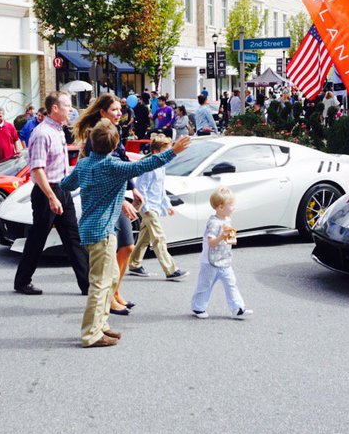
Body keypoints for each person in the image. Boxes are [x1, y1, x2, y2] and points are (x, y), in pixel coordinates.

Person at [60, 121, 189, 348]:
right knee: (100, 284)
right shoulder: (113, 165)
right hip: (102, 232)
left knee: (109, 279)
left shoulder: (84, 164)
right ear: (114, 145)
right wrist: (173, 151)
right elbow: (146, 164)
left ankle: (101, 325)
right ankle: (91, 334)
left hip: (91, 229)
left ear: (92, 143)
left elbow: (66, 185)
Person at [14, 92, 90, 297]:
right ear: (55, 108)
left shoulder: (58, 130)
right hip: (47, 191)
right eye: (67, 105)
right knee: (37, 238)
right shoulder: (42, 133)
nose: (71, 109)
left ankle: (88, 284)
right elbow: (37, 169)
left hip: (62, 189)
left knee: (73, 238)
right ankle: (22, 281)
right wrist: (51, 197)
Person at [75, 95, 142, 314]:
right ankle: (109, 297)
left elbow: (122, 163)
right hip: (107, 204)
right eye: (113, 109)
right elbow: (101, 175)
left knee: (127, 247)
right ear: (102, 112)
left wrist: (133, 188)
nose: (119, 113)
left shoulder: (115, 131)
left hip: (118, 197)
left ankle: (115, 291)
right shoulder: (97, 136)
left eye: (119, 109)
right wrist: (122, 201)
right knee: (117, 249)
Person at [127, 133, 189, 281]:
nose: (168, 154)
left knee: (145, 237)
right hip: (148, 207)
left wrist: (167, 205)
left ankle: (134, 264)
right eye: (165, 151)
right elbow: (141, 189)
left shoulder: (161, 167)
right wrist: (146, 208)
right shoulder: (149, 167)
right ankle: (171, 270)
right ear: (156, 151)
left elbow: (160, 190)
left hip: (154, 206)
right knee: (159, 237)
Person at [190, 187, 253, 319]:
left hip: (224, 260)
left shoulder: (227, 220)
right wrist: (222, 237)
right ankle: (198, 307)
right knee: (205, 285)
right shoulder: (213, 223)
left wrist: (230, 238)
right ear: (220, 207)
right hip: (210, 262)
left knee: (231, 284)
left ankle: (238, 309)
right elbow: (211, 243)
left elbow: (228, 240)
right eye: (231, 205)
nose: (234, 207)